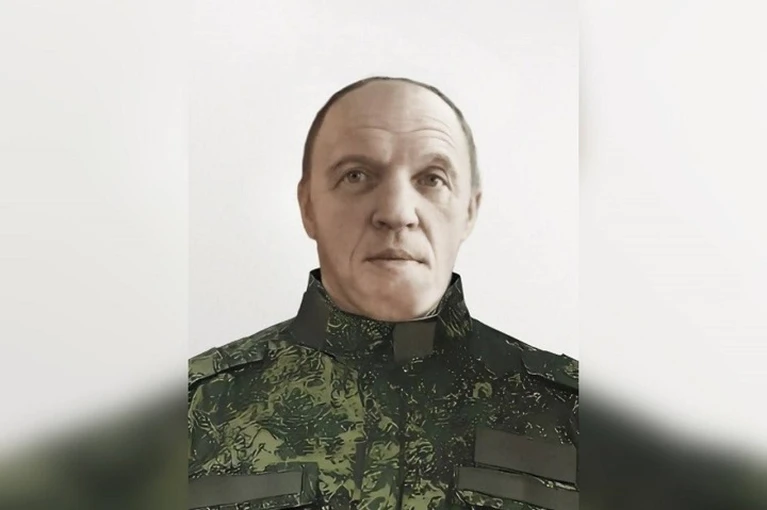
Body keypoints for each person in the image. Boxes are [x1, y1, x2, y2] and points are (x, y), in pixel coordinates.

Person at [188, 76, 579, 510]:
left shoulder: (575, 416)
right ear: (308, 206)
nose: (396, 212)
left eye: (432, 179)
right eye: (356, 175)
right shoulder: (193, 410)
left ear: (469, 210)